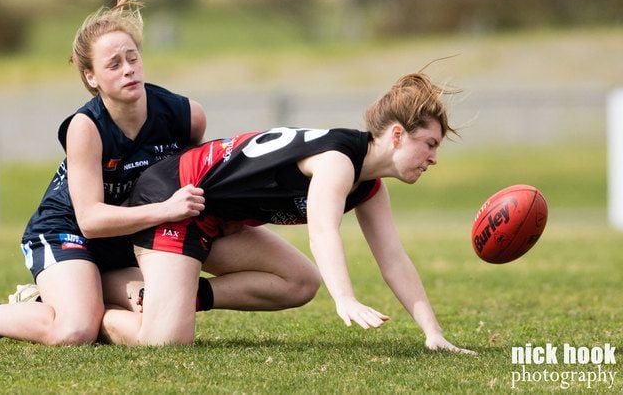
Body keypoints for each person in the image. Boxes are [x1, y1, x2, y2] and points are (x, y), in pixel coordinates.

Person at [0, 0, 320, 345]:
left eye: (132, 57)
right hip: (69, 233)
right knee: (73, 331)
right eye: (113, 64)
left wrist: (228, 217)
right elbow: (92, 220)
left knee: (293, 283)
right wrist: (169, 210)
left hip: (135, 238)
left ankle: (53, 300)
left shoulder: (185, 114)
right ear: (91, 77)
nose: (128, 70)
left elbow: (199, 178)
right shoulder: (86, 127)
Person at [101, 72, 476, 354]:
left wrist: (433, 333)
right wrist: (345, 298)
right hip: (176, 199)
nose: (434, 158)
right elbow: (323, 232)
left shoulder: (370, 187)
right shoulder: (338, 161)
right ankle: (98, 298)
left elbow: (394, 259)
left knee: (300, 282)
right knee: (166, 342)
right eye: (428, 144)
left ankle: (172, 297)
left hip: (214, 220)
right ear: (396, 135)